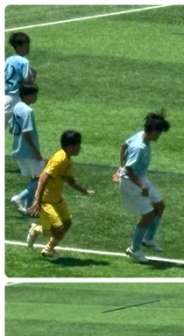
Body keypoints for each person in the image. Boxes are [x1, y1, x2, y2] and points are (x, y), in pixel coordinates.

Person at [27, 130, 95, 258]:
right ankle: (35, 229)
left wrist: (83, 191)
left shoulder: (67, 160)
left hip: (57, 199)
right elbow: (43, 178)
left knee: (67, 223)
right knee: (58, 229)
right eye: (78, 145)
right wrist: (37, 200)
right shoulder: (60, 159)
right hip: (46, 200)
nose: (80, 148)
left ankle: (48, 249)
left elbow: (69, 179)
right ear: (70, 147)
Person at [118, 112, 170, 263]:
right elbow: (129, 171)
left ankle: (148, 239)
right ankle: (134, 249)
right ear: (152, 131)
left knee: (160, 205)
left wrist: (120, 166)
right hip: (131, 183)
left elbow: (123, 145)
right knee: (148, 215)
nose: (159, 136)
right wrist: (142, 186)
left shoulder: (141, 135)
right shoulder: (139, 147)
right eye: (159, 133)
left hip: (140, 178)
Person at [9, 84, 44, 214]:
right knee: (42, 177)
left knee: (34, 178)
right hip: (28, 151)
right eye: (35, 94)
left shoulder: (16, 107)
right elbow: (26, 133)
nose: (36, 97)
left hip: (17, 149)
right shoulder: (28, 111)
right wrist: (37, 152)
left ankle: (28, 206)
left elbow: (12, 128)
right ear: (28, 95)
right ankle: (20, 197)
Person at [5, 32, 36, 125]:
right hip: (15, 100)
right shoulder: (24, 62)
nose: (28, 47)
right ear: (19, 46)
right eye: (26, 44)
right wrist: (33, 76)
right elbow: (28, 83)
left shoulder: (8, 60)